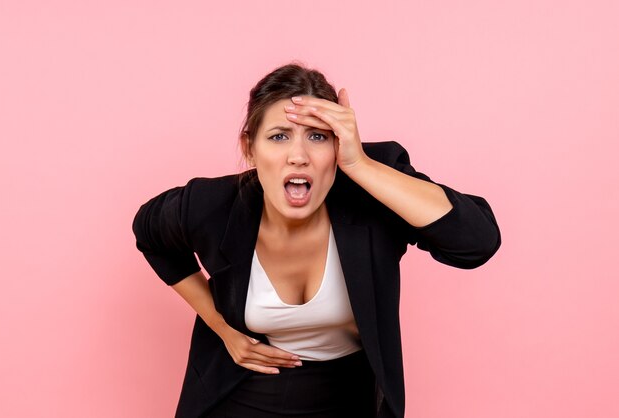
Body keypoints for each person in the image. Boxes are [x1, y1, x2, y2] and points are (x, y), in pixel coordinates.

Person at [132, 63, 501, 418]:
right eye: (279, 137)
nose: (299, 156)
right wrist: (221, 326)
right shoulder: (213, 205)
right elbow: (148, 232)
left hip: (347, 399)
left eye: (318, 137)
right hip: (238, 394)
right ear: (250, 148)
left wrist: (361, 165)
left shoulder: (370, 191)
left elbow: (476, 242)